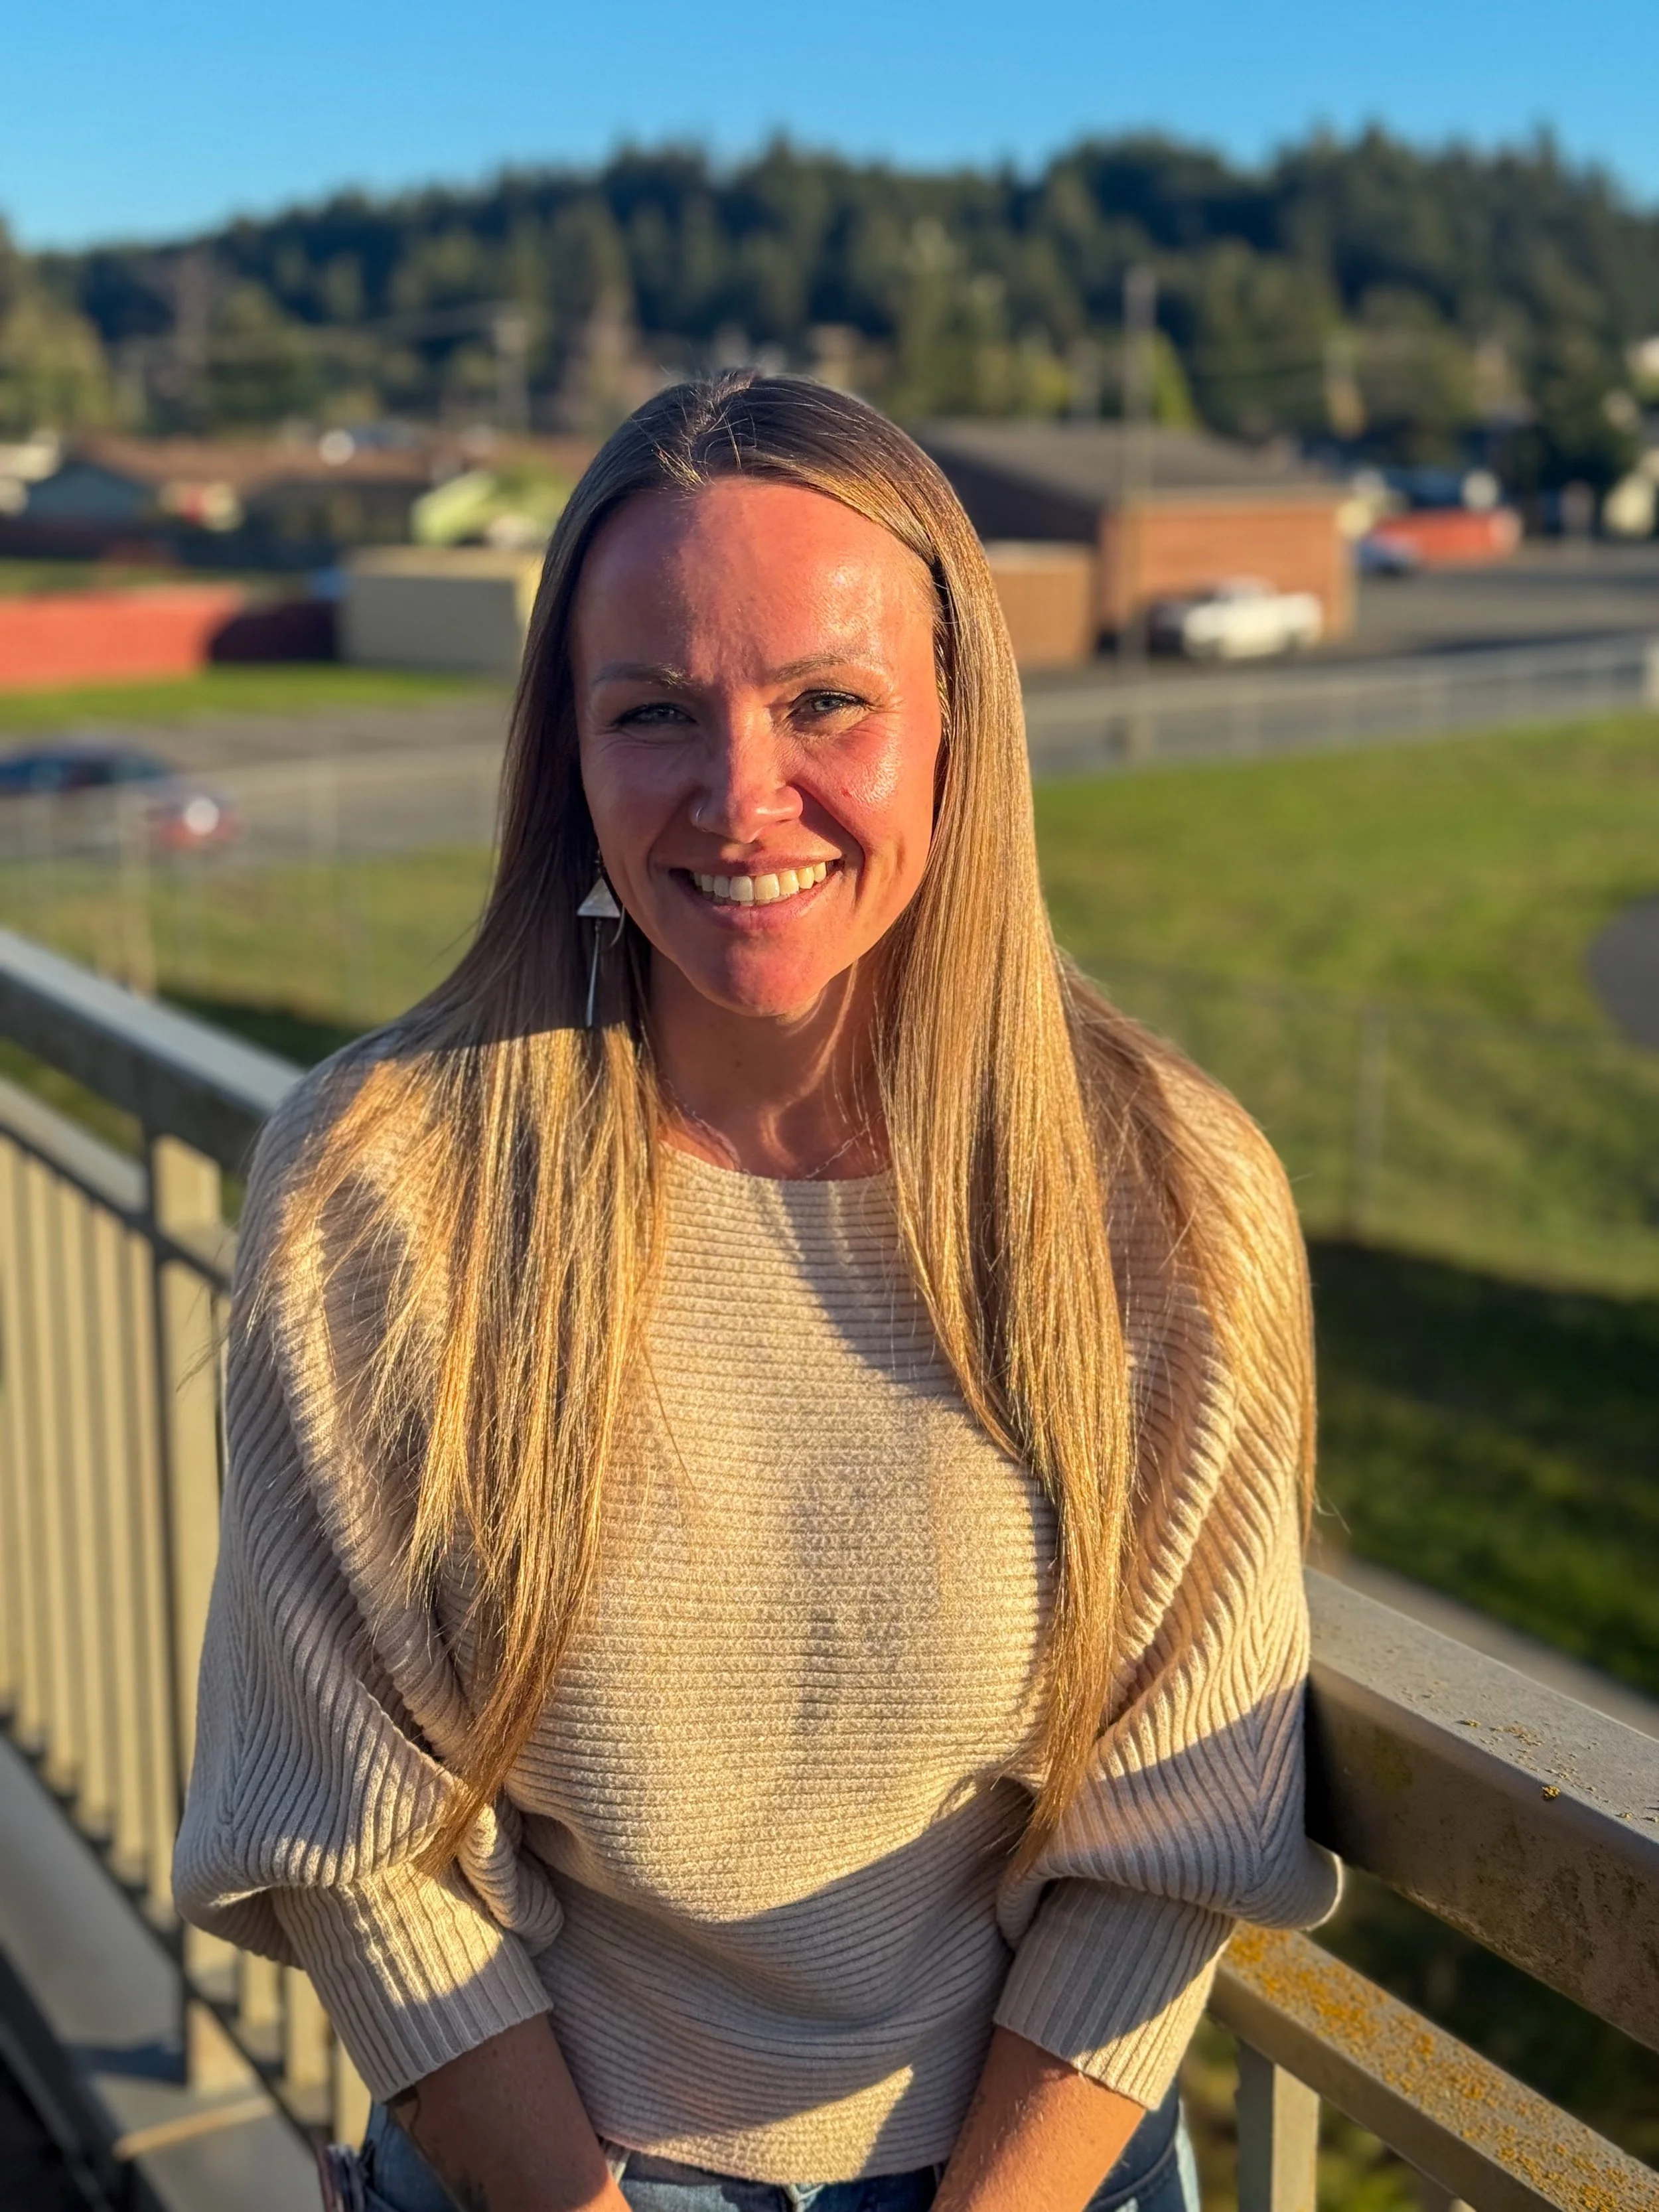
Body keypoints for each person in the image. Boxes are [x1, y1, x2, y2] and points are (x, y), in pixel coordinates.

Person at [175, 373, 1339, 2212]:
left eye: (825, 704)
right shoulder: (381, 1184)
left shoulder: (1165, 1197)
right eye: (653, 712)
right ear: (564, 751)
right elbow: (349, 1843)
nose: (738, 796)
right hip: (540, 2167)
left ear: (956, 725)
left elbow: (1168, 1839)